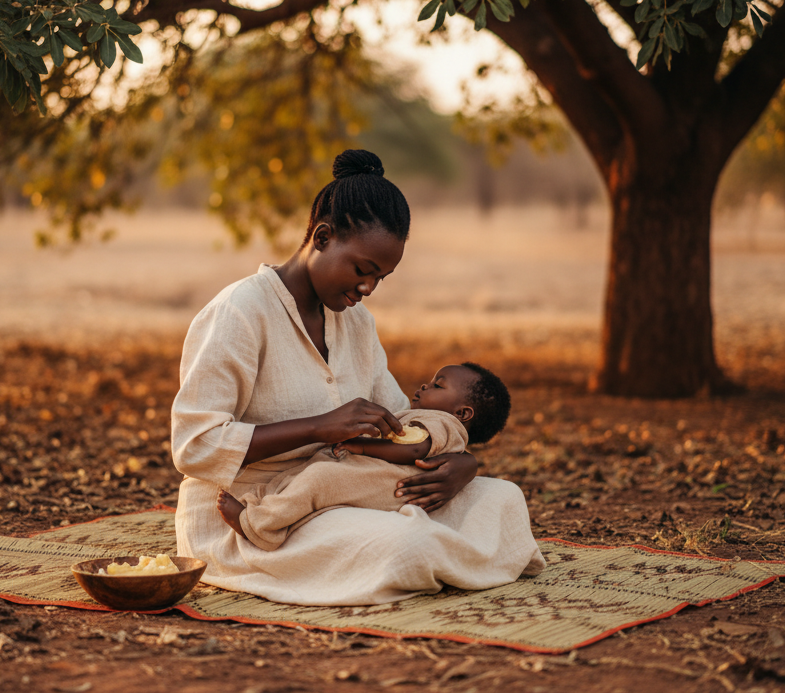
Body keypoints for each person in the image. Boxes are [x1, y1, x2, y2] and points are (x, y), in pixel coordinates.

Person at [170, 149, 546, 606]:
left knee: (502, 499)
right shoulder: (241, 313)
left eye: (381, 278)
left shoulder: (356, 322)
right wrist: (318, 426)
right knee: (408, 544)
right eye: (363, 270)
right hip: (258, 511)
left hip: (351, 490)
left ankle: (426, 551)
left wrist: (462, 464)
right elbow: (194, 445)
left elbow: (402, 417)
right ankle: (431, 555)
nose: (368, 288)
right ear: (323, 237)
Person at [216, 362, 517, 551]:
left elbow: (412, 448)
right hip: (368, 475)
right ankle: (260, 504)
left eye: (438, 385)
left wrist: (360, 445)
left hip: (386, 484)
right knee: (310, 473)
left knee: (320, 479)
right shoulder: (429, 418)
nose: (426, 385)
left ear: (462, 413)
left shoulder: (444, 424)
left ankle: (260, 528)